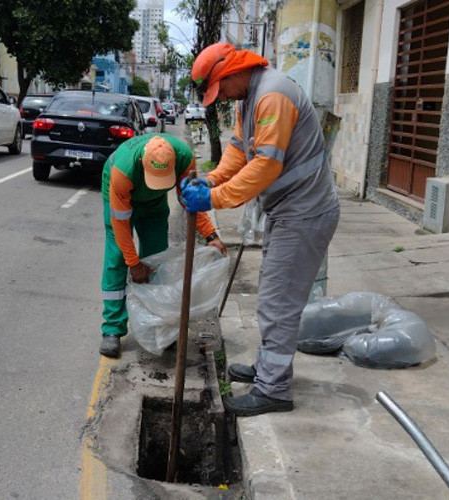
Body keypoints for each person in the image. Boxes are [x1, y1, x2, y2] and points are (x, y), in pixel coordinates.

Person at [181, 43, 340, 416]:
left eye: (221, 89)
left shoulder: (273, 96)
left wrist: (215, 198)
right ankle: (268, 369)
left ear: (234, 71)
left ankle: (273, 389)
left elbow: (266, 166)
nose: (222, 98)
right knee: (274, 294)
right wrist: (212, 180)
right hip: (289, 212)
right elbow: (239, 150)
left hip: (305, 213)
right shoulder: (248, 99)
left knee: (278, 302)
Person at [100, 134, 225, 358]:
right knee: (118, 256)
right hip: (118, 191)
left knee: (157, 256)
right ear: (142, 164)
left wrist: (210, 235)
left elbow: (190, 201)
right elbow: (121, 225)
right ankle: (112, 329)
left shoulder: (184, 158)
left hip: (154, 202)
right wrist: (133, 263)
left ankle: (156, 324)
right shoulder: (123, 171)